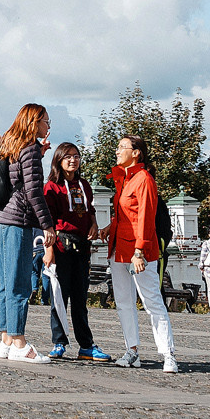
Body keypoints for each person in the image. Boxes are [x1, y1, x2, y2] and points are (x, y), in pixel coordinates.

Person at [0, 103, 56, 363]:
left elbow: (15, 178)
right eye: (46, 122)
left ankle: (5, 339)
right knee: (19, 284)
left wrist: (39, 151)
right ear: (34, 122)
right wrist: (47, 224)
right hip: (16, 222)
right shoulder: (29, 149)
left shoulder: (9, 143)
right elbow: (33, 191)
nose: (48, 127)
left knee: (4, 282)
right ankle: (19, 342)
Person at [106, 135, 178, 371]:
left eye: (121, 147)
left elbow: (146, 217)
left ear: (136, 153)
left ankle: (168, 354)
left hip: (139, 250)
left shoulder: (143, 179)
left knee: (152, 302)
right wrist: (109, 228)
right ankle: (132, 351)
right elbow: (125, 214)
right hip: (119, 248)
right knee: (124, 302)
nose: (117, 151)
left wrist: (139, 251)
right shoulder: (125, 179)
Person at [41, 142, 109, 361]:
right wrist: (49, 251)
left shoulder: (83, 185)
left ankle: (86, 346)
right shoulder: (52, 186)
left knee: (80, 298)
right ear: (59, 160)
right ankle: (59, 342)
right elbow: (48, 221)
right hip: (61, 245)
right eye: (68, 156)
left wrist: (94, 224)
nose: (73, 160)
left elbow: (89, 209)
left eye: (77, 156)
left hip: (82, 247)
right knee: (59, 298)